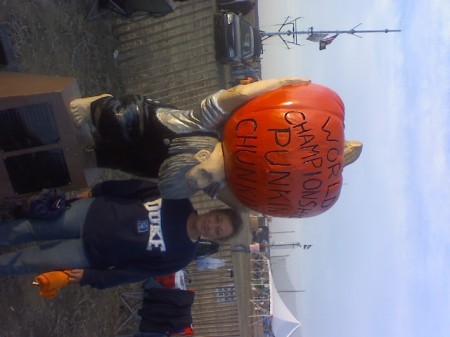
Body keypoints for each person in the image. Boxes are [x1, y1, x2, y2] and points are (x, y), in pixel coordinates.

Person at [70, 78, 310, 202]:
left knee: (103, 158)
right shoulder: (202, 124)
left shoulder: (207, 178)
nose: (206, 182)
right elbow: (236, 95)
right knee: (116, 122)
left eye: (201, 185)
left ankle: (100, 146)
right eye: (204, 178)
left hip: (141, 158)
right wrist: (279, 84)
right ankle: (98, 104)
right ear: (202, 156)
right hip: (139, 118)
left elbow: (245, 206)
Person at [0, 179, 243, 289]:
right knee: (30, 227)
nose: (212, 226)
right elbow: (135, 187)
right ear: (213, 211)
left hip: (89, 254)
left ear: (214, 238)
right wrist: (97, 190)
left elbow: (133, 273)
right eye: (217, 219)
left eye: (218, 231)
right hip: (90, 212)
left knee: (28, 261)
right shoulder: (177, 199)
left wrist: (91, 278)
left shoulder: (180, 256)